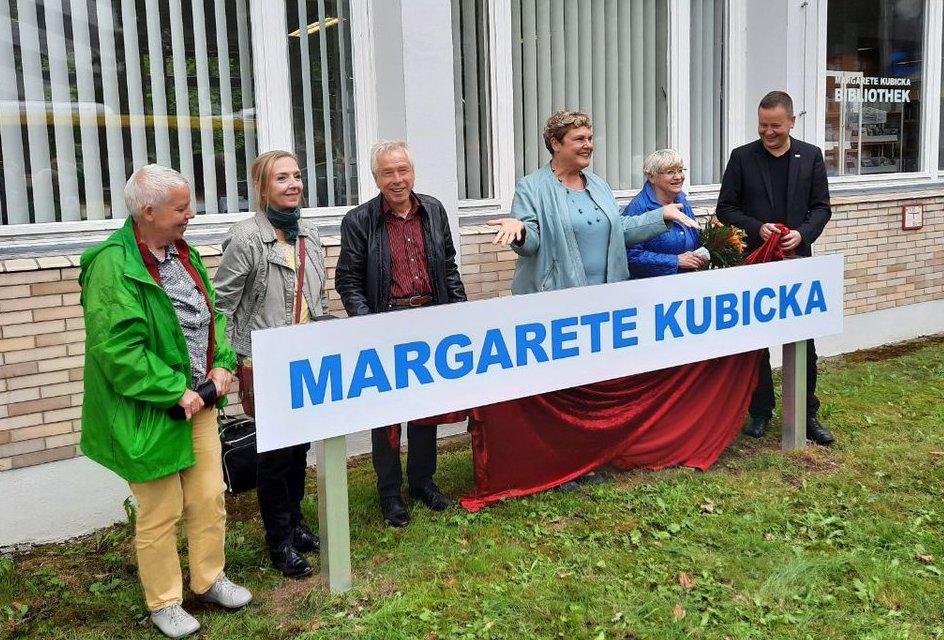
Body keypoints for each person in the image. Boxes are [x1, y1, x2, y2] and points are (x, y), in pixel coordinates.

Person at [79, 165, 250, 639]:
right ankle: (165, 602)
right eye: (181, 208)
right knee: (160, 511)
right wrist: (175, 391)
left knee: (209, 497)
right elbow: (117, 350)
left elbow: (211, 311)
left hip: (199, 401)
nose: (190, 215)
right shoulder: (113, 265)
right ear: (147, 211)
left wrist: (221, 364)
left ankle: (209, 578)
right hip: (151, 410)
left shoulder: (182, 251)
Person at [335, 140, 467, 528]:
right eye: (388, 173)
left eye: (403, 170)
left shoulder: (434, 210)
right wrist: (368, 325)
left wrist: (460, 315)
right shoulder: (359, 221)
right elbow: (348, 280)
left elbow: (449, 267)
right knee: (388, 414)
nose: (398, 179)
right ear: (376, 178)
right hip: (386, 321)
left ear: (413, 172)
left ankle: (423, 482)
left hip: (430, 318)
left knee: (426, 408)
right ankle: (390, 493)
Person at [214, 151, 328, 579]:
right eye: (282, 178)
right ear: (262, 188)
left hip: (304, 360)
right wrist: (230, 361)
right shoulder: (245, 238)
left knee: (299, 447)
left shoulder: (309, 234)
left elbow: (315, 300)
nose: (294, 184)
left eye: (297, 176)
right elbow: (220, 306)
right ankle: (278, 540)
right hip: (263, 361)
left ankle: (297, 525)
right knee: (275, 452)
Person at [716, 90, 835, 446]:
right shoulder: (741, 157)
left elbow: (821, 208)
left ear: (792, 122)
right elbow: (726, 208)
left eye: (775, 126)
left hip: (798, 264)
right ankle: (760, 411)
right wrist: (757, 228)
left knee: (803, 340)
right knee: (757, 342)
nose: (767, 132)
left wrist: (802, 234)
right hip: (755, 262)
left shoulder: (810, 156)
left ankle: (806, 413)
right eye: (762, 125)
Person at [487, 110, 699, 293]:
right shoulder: (531, 186)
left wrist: (660, 215)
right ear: (555, 143)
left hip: (605, 294)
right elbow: (530, 244)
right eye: (580, 139)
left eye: (589, 138)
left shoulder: (598, 184)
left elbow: (621, 229)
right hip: (555, 297)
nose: (588, 145)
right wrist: (521, 230)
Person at [622, 148, 707, 278]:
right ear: (651, 177)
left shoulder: (681, 200)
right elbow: (630, 256)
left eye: (680, 170)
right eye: (670, 172)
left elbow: (694, 239)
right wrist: (675, 261)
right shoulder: (638, 208)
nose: (678, 177)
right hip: (653, 289)